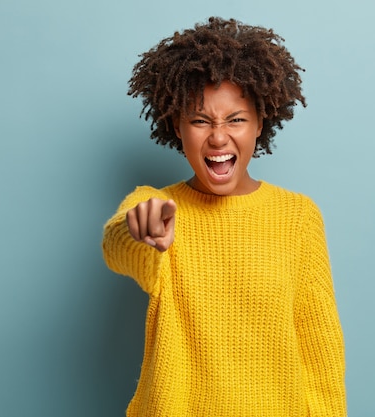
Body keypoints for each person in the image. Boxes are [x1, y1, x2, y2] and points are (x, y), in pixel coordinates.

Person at [102, 16, 347, 416]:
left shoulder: (298, 216)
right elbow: (119, 246)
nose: (218, 137)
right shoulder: (159, 205)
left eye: (236, 119)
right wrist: (139, 228)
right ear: (177, 127)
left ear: (259, 124)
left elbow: (321, 352)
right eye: (200, 120)